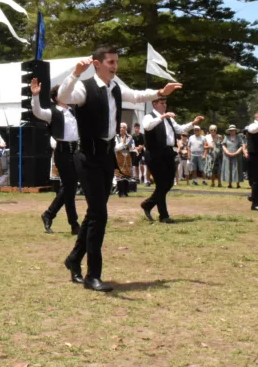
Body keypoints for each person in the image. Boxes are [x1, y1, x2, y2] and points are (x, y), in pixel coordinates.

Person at [57, 47, 179, 292]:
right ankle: (93, 275)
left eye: (116, 62)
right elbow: (63, 95)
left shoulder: (115, 88)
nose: (115, 66)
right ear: (97, 64)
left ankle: (73, 259)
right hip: (87, 157)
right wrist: (75, 73)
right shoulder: (84, 87)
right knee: (99, 215)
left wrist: (158, 92)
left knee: (94, 214)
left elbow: (135, 95)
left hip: (106, 156)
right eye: (111, 62)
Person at [140, 97, 201, 223]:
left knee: (168, 183)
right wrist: (162, 117)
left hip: (168, 152)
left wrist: (193, 123)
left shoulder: (168, 118)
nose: (165, 105)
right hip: (154, 153)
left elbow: (180, 129)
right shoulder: (149, 117)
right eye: (162, 103)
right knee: (161, 183)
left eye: (165, 103)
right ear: (154, 104)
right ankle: (164, 215)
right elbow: (147, 126)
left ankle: (148, 204)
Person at [31, 81, 80, 235]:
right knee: (69, 187)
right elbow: (37, 112)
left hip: (75, 150)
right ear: (57, 97)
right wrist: (35, 95)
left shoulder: (72, 111)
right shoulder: (52, 112)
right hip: (62, 151)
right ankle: (73, 224)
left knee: (69, 187)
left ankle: (49, 214)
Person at [113, 124, 134, 198]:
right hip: (119, 157)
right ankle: (120, 192)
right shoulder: (116, 137)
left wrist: (130, 147)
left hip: (127, 157)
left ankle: (125, 191)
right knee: (119, 175)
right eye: (120, 127)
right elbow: (116, 148)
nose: (122, 129)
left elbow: (132, 147)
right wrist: (123, 144)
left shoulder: (130, 137)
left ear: (126, 129)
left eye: (123, 127)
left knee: (127, 175)